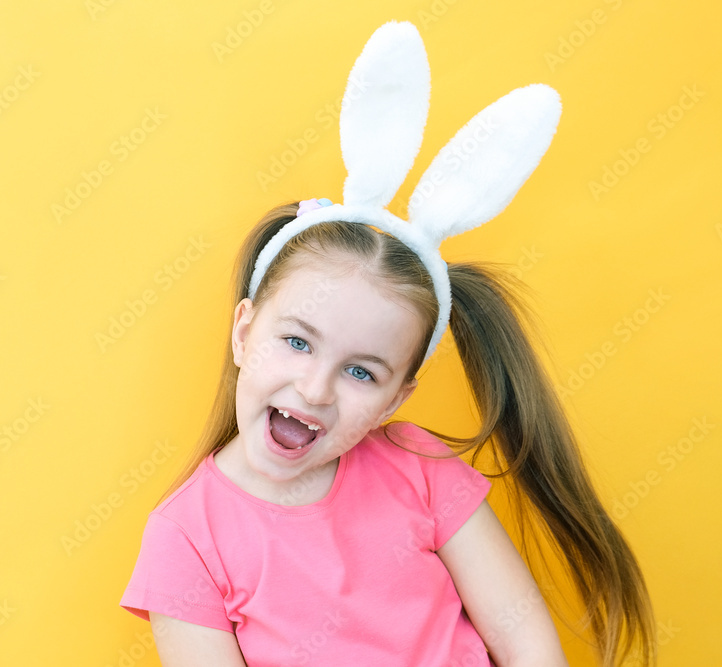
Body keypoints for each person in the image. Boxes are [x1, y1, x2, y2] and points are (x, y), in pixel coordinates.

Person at [120, 20, 656, 667]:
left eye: (362, 373)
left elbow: (525, 638)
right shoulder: (185, 537)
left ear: (398, 395)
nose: (314, 388)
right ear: (243, 331)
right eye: (296, 340)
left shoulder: (419, 467)